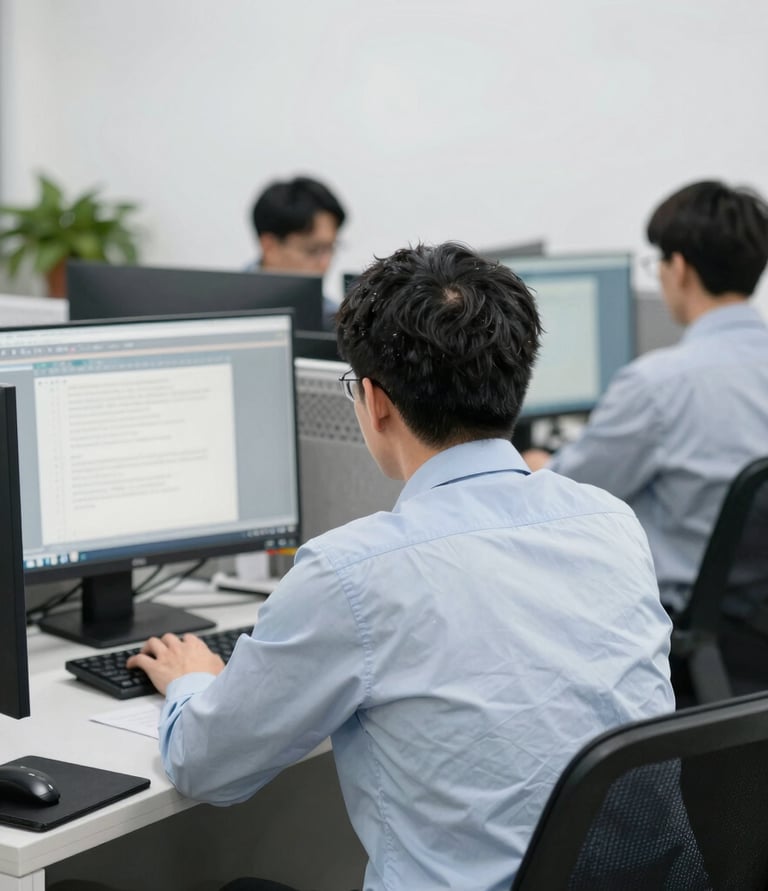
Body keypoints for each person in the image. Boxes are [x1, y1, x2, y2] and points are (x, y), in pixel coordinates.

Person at [127, 242, 674, 891]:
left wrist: (193, 683)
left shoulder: (352, 573)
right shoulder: (608, 521)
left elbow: (207, 766)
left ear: (375, 402)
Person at [525, 180, 768, 615]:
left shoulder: (657, 386)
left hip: (684, 623)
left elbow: (571, 491)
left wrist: (540, 466)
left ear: (679, 268)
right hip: (745, 631)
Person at [246, 175, 346, 330]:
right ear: (269, 247)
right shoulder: (219, 309)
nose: (325, 263)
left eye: (330, 248)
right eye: (313, 250)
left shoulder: (335, 321)